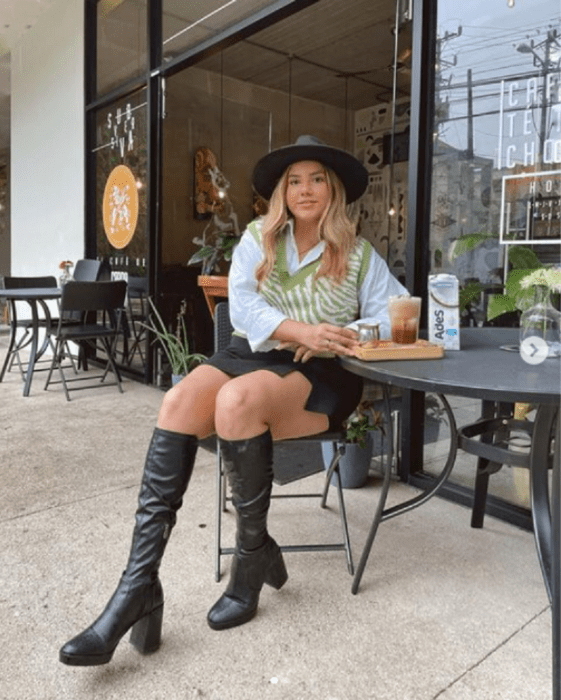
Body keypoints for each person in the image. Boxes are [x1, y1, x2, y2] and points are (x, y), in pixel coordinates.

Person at [59, 134, 407, 666]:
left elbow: (394, 313)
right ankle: (138, 586)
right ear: (281, 192)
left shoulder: (358, 254)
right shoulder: (257, 239)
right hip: (255, 353)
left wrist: (338, 331)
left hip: (322, 371)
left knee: (237, 404)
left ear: (334, 190)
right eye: (295, 180)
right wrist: (298, 329)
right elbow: (242, 310)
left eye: (317, 179)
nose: (305, 189)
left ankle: (249, 564)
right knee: (177, 402)